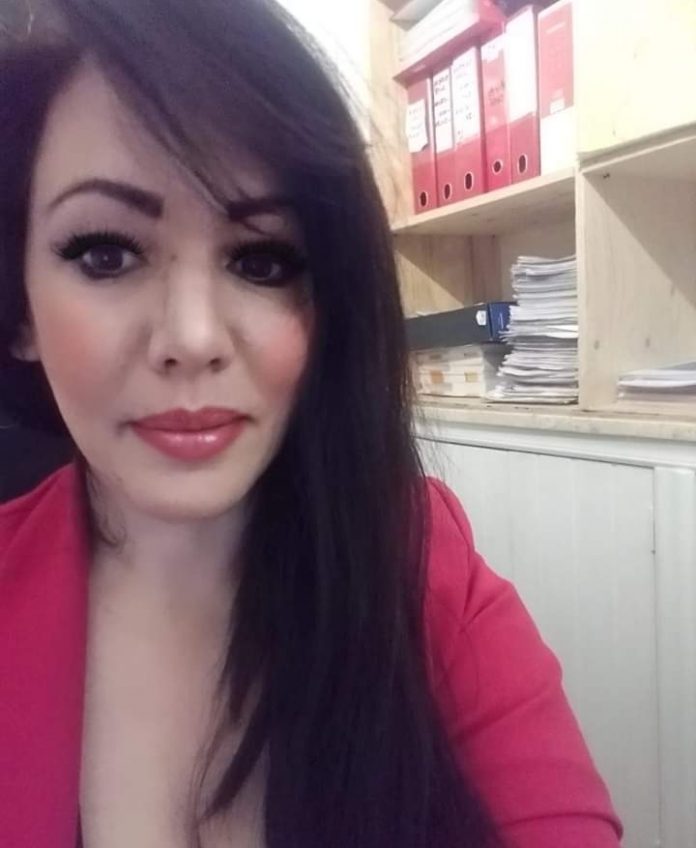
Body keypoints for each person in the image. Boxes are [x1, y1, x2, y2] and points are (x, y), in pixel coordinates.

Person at [0, 1, 623, 847]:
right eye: (106, 253)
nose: (193, 337)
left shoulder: (419, 562)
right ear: (20, 308)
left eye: (262, 260)